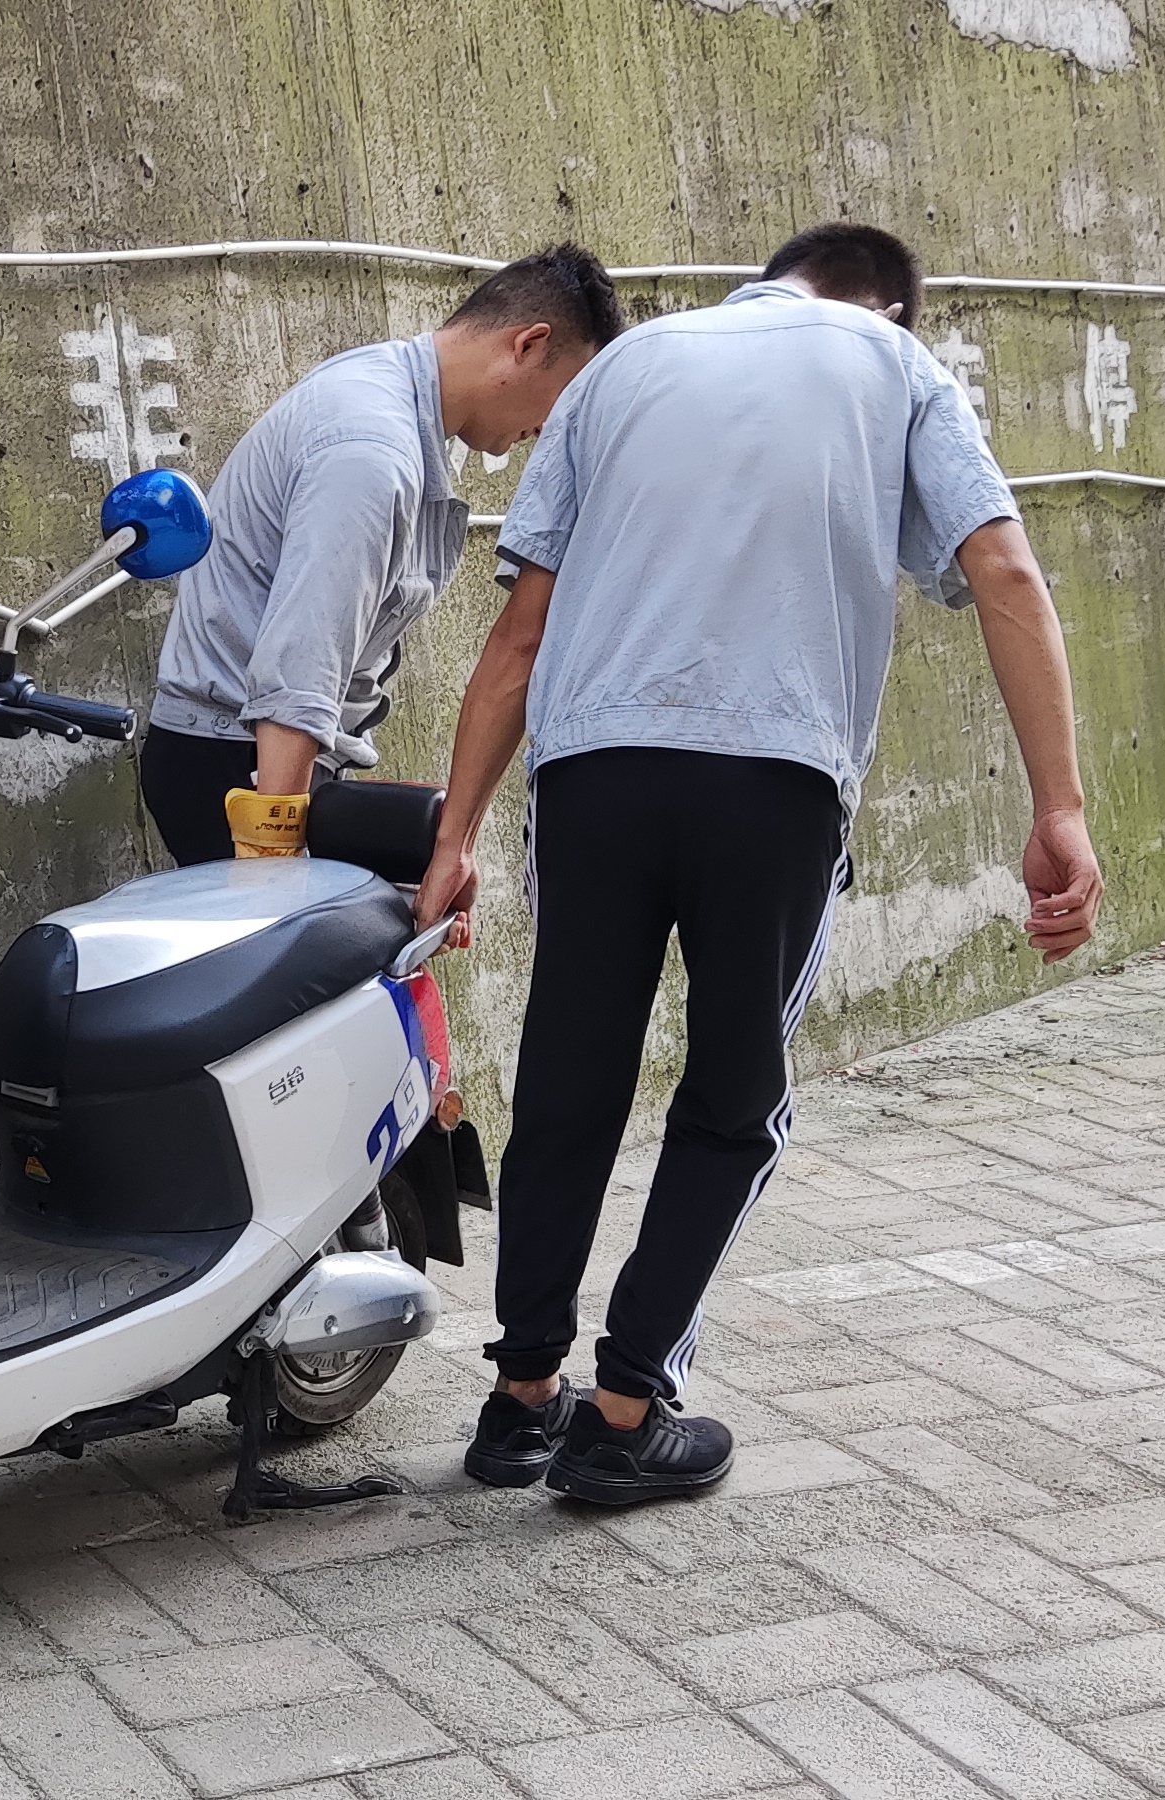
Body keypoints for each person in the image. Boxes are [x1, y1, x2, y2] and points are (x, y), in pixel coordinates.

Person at [419, 224, 1102, 1505]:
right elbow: (1001, 567)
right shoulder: (892, 365)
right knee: (734, 1100)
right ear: (884, 306)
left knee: (569, 1081)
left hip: (593, 774)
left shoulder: (616, 371)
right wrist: (1056, 806)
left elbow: (520, 635)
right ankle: (624, 1412)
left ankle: (520, 1400)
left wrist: (453, 837)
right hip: (772, 779)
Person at [138, 245, 625, 864]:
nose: (553, 430)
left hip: (261, 754)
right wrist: (271, 861)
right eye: (567, 401)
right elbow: (302, 666)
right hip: (245, 766)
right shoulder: (371, 449)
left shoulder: (387, 394)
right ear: (528, 345)